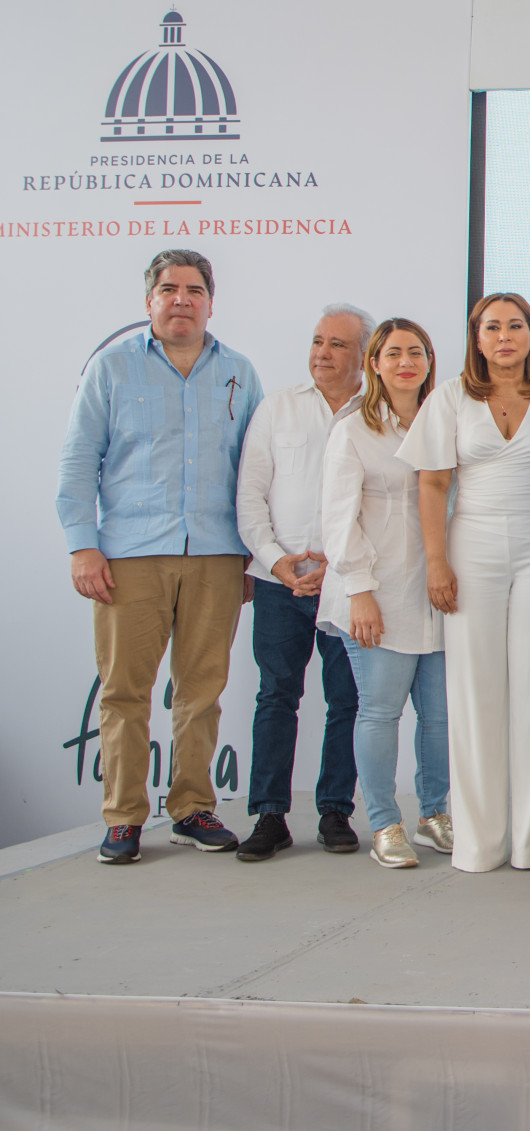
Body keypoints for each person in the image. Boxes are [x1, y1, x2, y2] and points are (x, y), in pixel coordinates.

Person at [58, 249, 263, 864]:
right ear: (149, 300)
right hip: (130, 556)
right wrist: (82, 545)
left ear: (210, 302)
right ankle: (123, 817)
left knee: (202, 689)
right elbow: (79, 459)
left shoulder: (239, 371)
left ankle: (192, 808)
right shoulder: (112, 368)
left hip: (218, 554)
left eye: (194, 290)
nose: (181, 300)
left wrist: (254, 556)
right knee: (125, 691)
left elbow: (256, 470)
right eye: (169, 289)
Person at [398, 292, 530, 873]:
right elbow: (432, 484)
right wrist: (436, 561)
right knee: (474, 688)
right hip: (472, 544)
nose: (504, 336)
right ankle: (480, 844)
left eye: (515, 326)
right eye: (492, 327)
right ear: (477, 338)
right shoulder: (449, 398)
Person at [232, 304, 371, 862]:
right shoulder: (277, 407)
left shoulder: (381, 411)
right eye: (317, 341)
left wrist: (344, 567)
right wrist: (275, 562)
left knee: (348, 699)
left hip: (349, 584)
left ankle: (336, 811)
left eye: (337, 344)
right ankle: (269, 816)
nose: (322, 353)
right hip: (280, 583)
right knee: (276, 696)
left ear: (364, 355)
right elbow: (249, 495)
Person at [317, 318, 452, 870]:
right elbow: (337, 519)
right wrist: (359, 590)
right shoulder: (353, 430)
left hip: (437, 594)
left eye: (416, 352)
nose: (405, 362)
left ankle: (434, 815)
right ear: (374, 363)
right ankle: (383, 823)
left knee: (440, 717)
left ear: (429, 361)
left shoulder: (444, 423)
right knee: (379, 713)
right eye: (393, 353)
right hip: (377, 595)